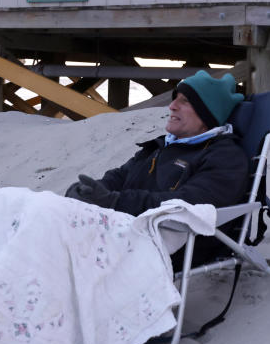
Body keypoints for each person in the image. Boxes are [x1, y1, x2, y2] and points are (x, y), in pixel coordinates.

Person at [66, 70, 250, 266]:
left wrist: (115, 202)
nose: (172, 106)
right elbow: (120, 176)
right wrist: (91, 192)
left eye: (185, 101)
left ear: (208, 113)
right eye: (174, 99)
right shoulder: (163, 146)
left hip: (174, 244)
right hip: (127, 231)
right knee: (44, 213)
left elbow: (189, 205)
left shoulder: (225, 157)